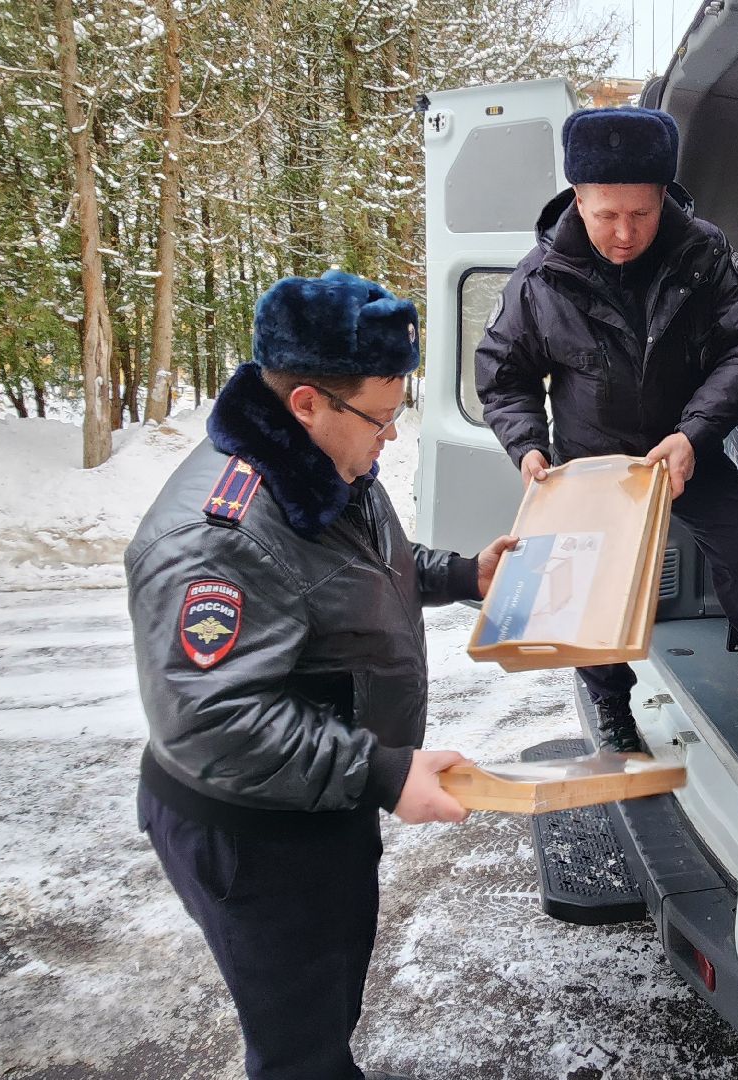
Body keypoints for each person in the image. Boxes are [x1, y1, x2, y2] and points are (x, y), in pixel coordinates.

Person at [128, 270, 515, 1080]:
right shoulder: (218, 535)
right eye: (382, 414)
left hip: (319, 799)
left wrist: (459, 574)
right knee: (300, 1047)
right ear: (307, 402)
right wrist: (382, 769)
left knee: (328, 998)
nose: (393, 434)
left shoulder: (321, 466)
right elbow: (212, 721)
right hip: (256, 830)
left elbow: (359, 570)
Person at [475, 106, 738, 753]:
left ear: (664, 196)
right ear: (577, 198)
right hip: (589, 463)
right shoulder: (540, 278)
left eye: (640, 214)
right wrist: (528, 444)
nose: (623, 233)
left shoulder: (704, 253)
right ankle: (612, 707)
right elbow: (504, 377)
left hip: (680, 451)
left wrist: (696, 434)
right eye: (606, 214)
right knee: (586, 598)